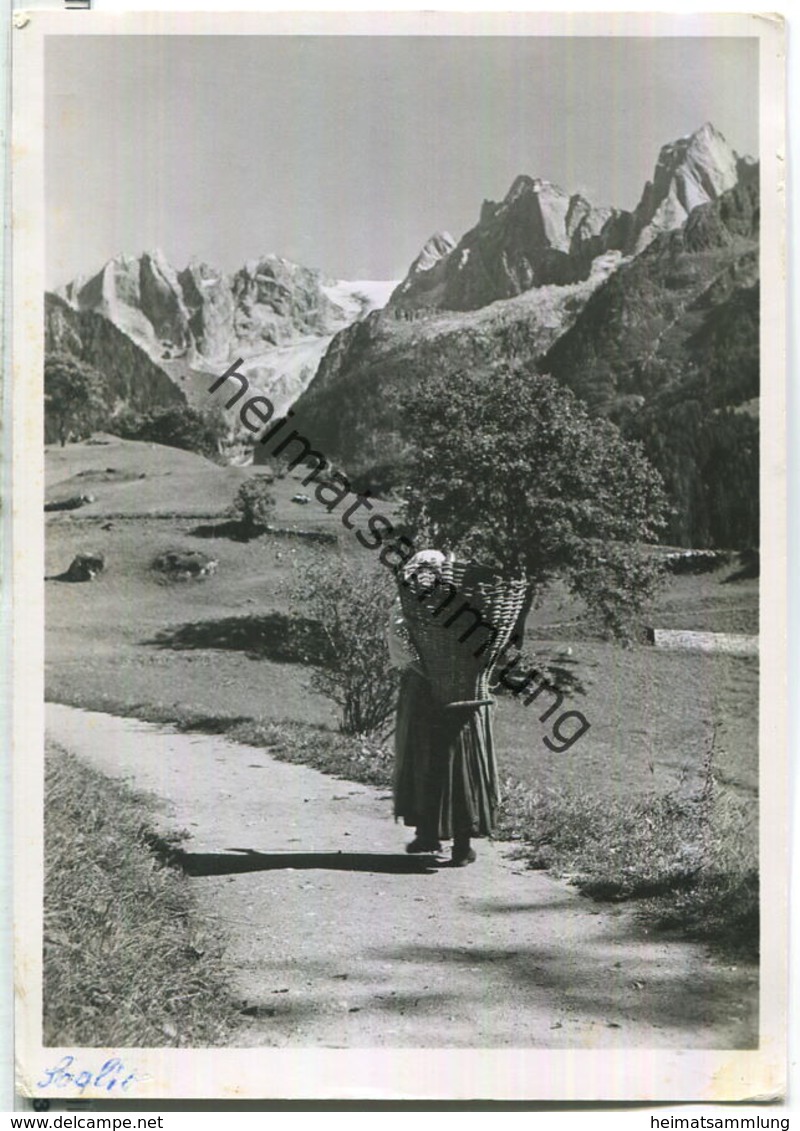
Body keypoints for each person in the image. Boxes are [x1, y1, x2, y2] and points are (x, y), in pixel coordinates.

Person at [388, 550, 499, 867]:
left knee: (432, 759)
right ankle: (447, 839)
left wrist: (423, 671)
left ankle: (436, 835)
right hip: (462, 691)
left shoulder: (410, 608)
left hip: (425, 693)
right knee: (458, 760)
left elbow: (399, 646)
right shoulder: (469, 609)